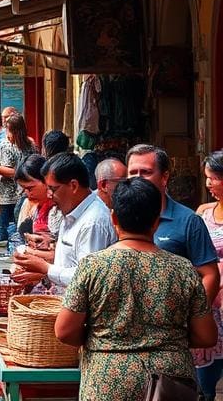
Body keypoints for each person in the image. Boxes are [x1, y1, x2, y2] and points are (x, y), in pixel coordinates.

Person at [55, 178, 217, 401]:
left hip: (108, 380)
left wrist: (100, 339)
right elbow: (207, 335)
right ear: (156, 222)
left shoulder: (93, 266)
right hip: (170, 381)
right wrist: (167, 341)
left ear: (113, 218)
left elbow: (64, 331)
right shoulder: (183, 269)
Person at [127, 144, 220, 307]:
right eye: (133, 173)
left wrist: (194, 317)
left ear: (164, 177)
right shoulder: (119, 217)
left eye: (146, 172)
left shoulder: (189, 221)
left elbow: (210, 275)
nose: (138, 178)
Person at [12, 153, 116, 287]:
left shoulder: (93, 222)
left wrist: (45, 268)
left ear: (73, 186)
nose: (49, 194)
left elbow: (87, 279)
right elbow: (68, 263)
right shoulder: (72, 211)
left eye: (52, 189)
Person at [195, 151, 223, 399]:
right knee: (206, 380)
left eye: (213, 177)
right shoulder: (203, 212)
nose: (207, 184)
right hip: (210, 305)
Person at [0, 113, 32, 243]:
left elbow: (12, 172)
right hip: (24, 193)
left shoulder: (7, 147)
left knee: (7, 228)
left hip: (11, 194)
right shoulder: (31, 145)